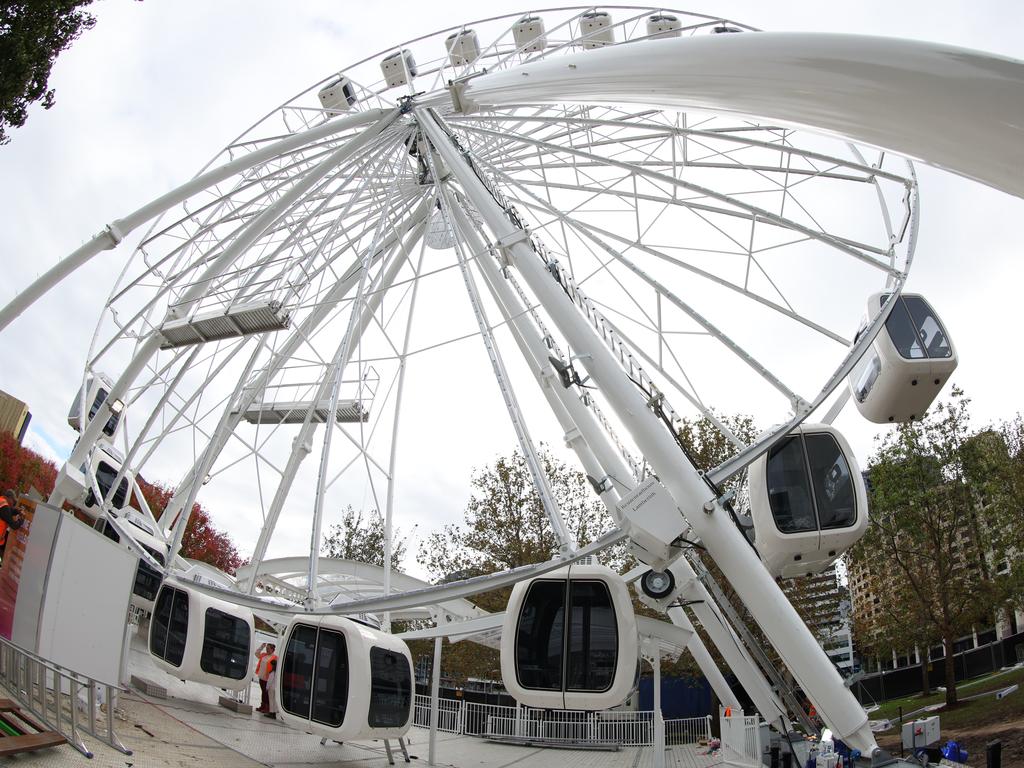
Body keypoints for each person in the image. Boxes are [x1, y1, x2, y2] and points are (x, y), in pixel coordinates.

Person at [0, 490, 25, 565]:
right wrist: (22, 519)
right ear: (9, 498)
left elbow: (9, 511)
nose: (13, 504)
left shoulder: (1, 501)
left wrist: (17, 511)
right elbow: (14, 525)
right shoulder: (4, 506)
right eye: (13, 501)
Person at [254, 642, 277, 714]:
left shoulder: (275, 658)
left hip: (268, 678)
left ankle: (267, 707)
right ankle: (262, 706)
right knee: (263, 692)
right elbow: (256, 653)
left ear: (272, 650)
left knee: (266, 693)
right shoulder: (263, 655)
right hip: (261, 676)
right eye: (266, 648)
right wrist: (261, 647)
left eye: (268, 649)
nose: (267, 650)